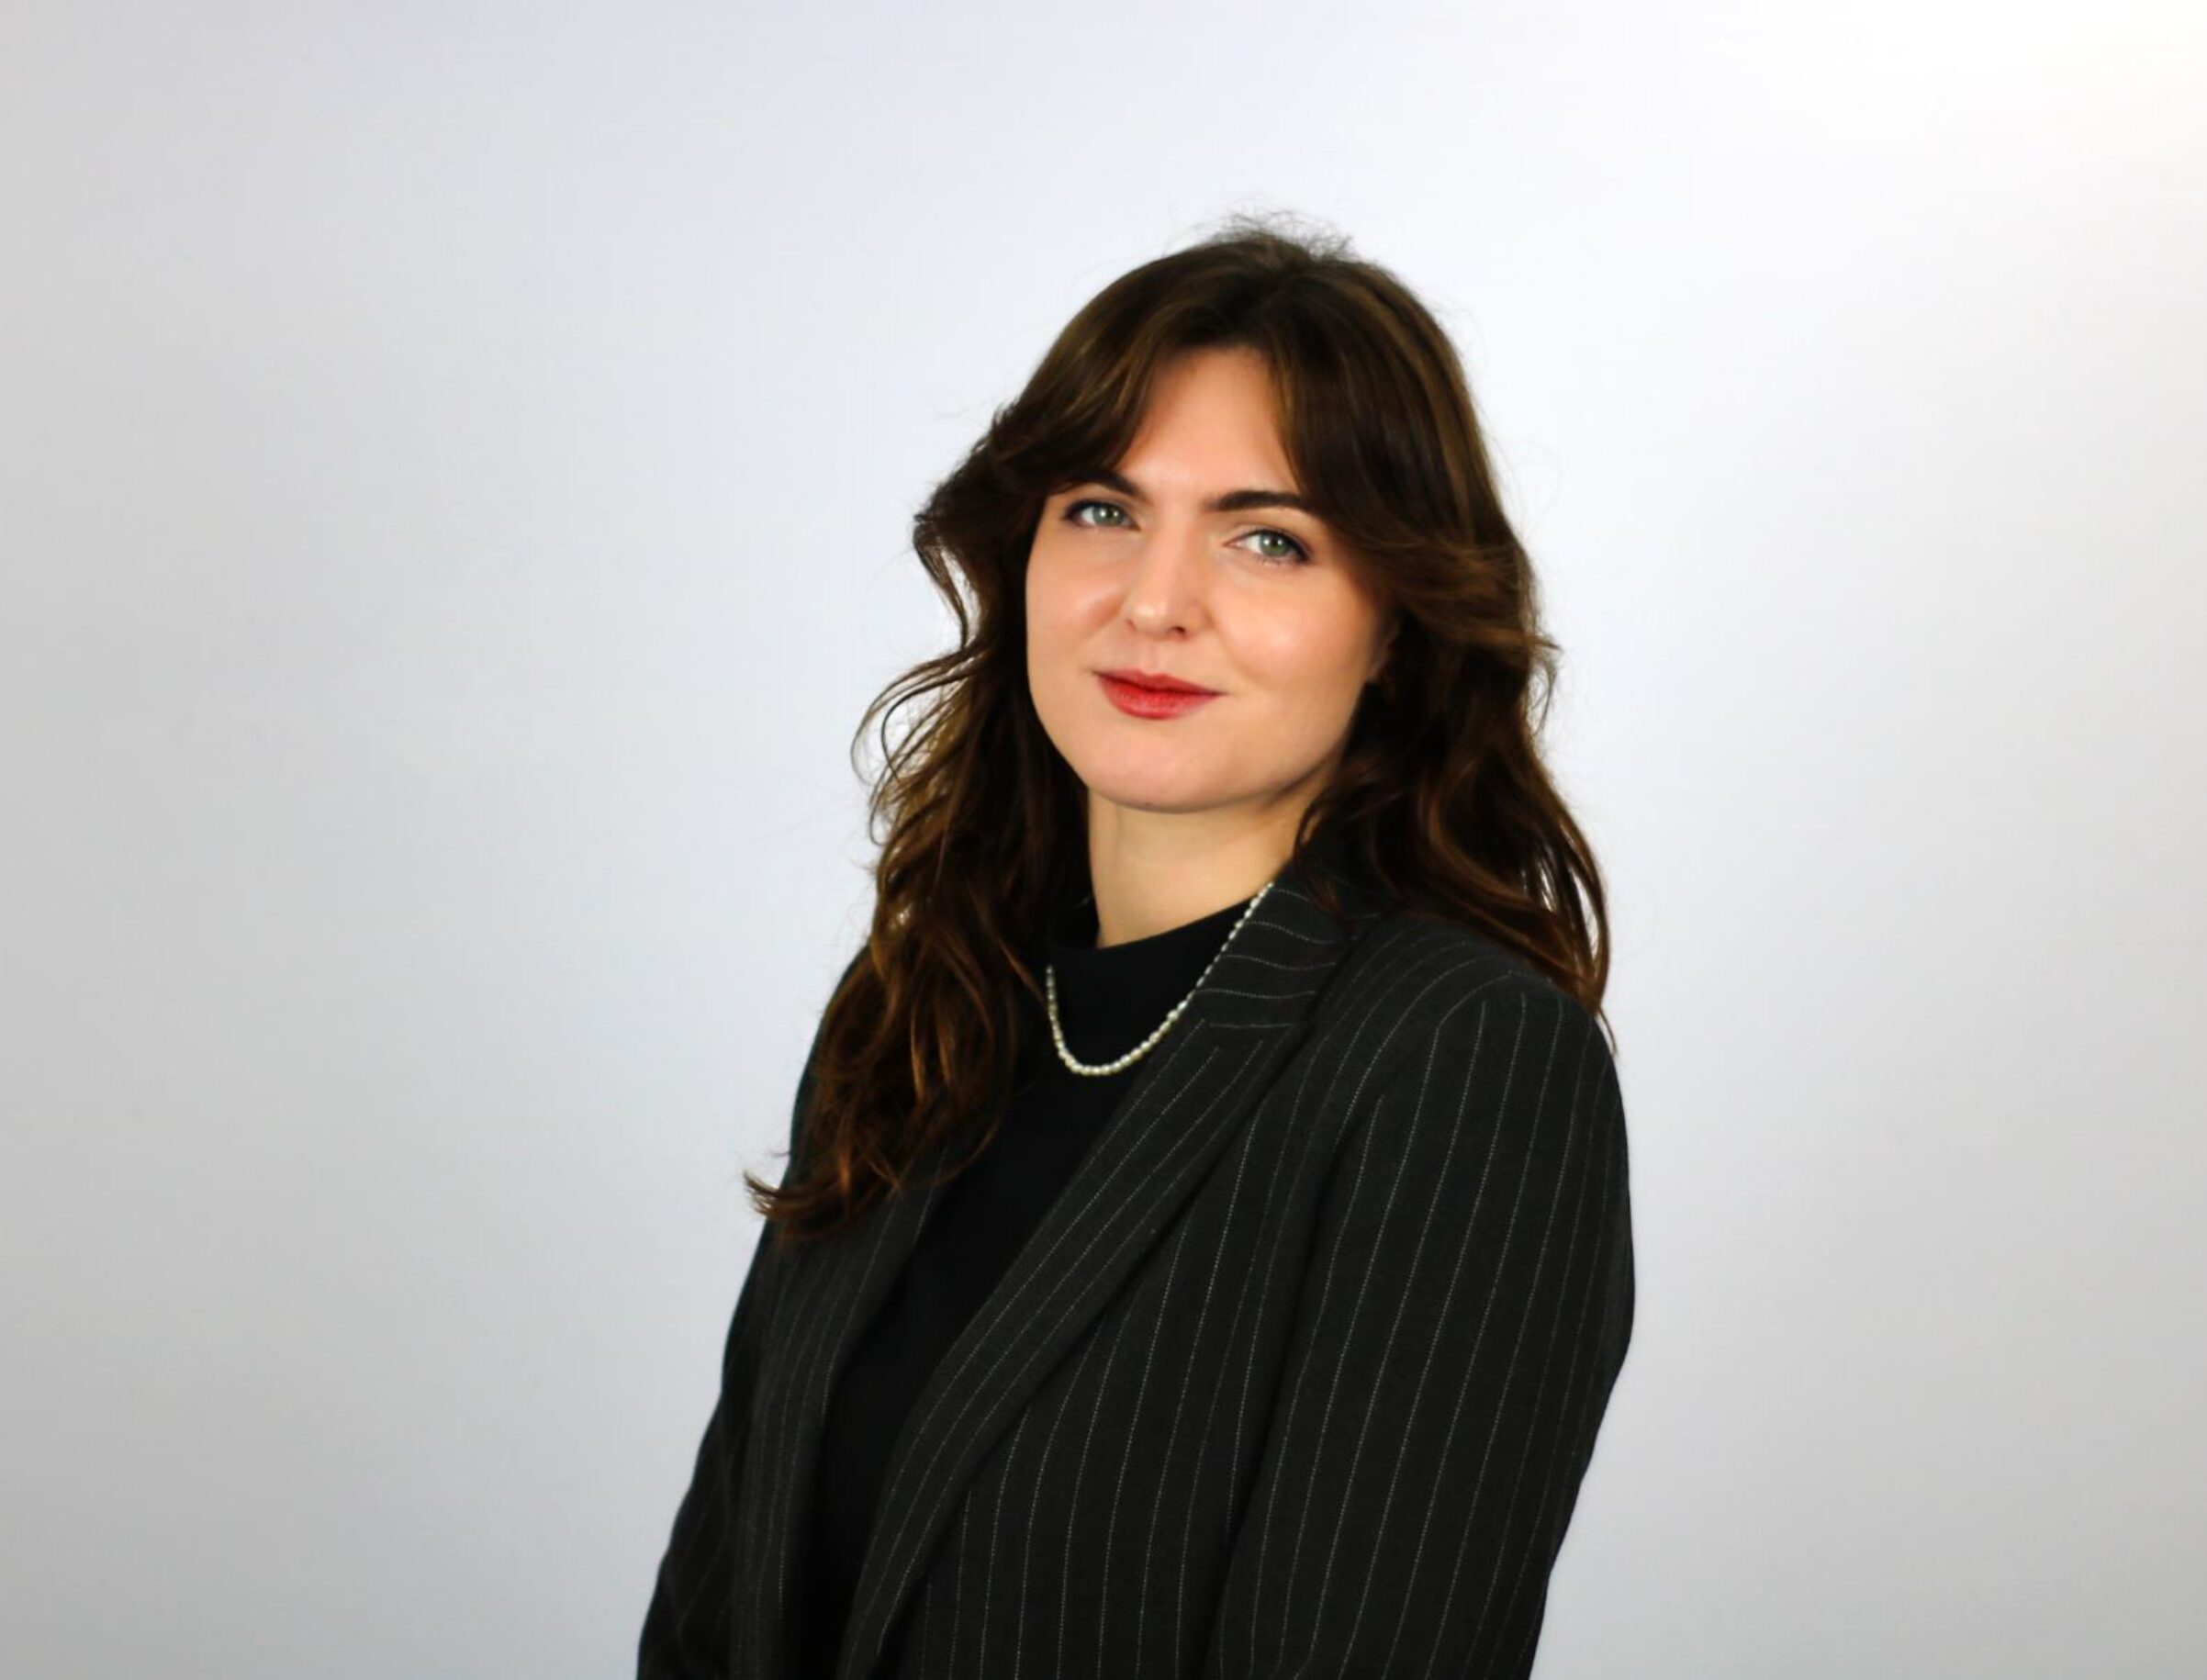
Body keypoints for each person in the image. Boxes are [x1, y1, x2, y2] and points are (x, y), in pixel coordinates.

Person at [638, 213, 1636, 1680]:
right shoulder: (927, 997)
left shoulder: (1463, 1064)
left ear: (1399, 626)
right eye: (1103, 510)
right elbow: (718, 1607)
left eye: (1268, 537)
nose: (1154, 602)